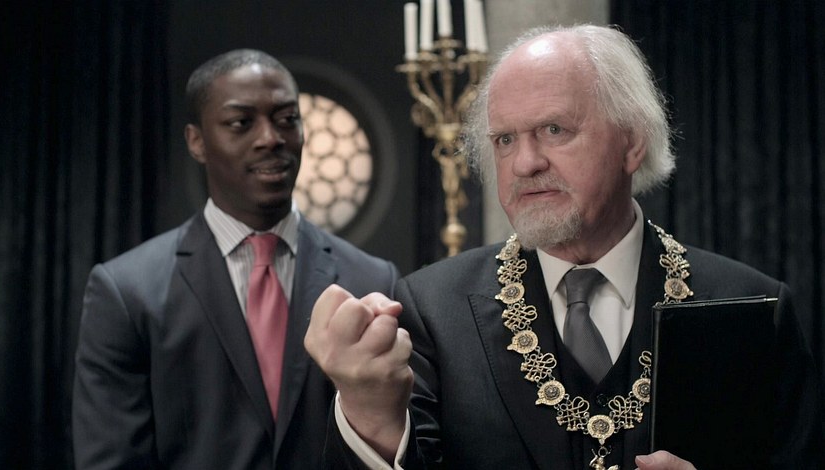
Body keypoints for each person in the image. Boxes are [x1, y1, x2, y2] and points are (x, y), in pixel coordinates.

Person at [304, 25, 823, 469]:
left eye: (554, 130)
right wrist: (369, 413)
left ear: (632, 141)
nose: (525, 163)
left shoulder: (754, 309)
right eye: (505, 140)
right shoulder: (431, 311)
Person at [72, 49, 400, 469]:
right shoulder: (127, 291)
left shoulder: (373, 280)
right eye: (241, 123)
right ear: (196, 141)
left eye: (287, 119)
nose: (271, 138)